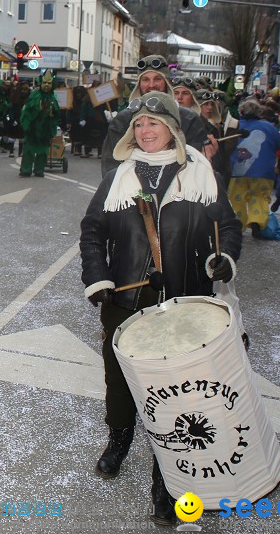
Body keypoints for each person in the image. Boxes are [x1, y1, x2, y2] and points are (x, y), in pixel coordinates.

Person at [80, 91, 241, 526]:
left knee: (175, 392)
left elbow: (226, 226)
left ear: (172, 127)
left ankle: (166, 481)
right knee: (120, 378)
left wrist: (222, 259)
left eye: (153, 124)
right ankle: (119, 438)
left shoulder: (201, 173)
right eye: (138, 126)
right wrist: (98, 277)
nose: (145, 131)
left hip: (185, 300)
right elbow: (93, 230)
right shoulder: (119, 176)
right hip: (127, 296)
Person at [101, 56, 216, 176]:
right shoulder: (123, 120)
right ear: (139, 84)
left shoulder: (188, 119)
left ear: (166, 82)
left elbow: (199, 164)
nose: (151, 85)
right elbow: (110, 165)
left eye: (157, 79)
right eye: (145, 79)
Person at [227, 99, 280, 238]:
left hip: (237, 170)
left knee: (236, 197)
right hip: (263, 170)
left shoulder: (235, 125)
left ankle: (237, 225)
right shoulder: (269, 127)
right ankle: (257, 221)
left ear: (241, 111)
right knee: (260, 196)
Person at [19, 74, 61, 178]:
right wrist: (26, 125)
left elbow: (56, 114)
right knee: (29, 149)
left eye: (49, 83)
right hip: (33, 127)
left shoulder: (52, 98)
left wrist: (53, 116)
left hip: (45, 128)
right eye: (45, 83)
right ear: (41, 83)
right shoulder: (34, 95)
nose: (46, 85)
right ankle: (26, 170)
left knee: (43, 151)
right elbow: (27, 111)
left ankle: (39, 170)